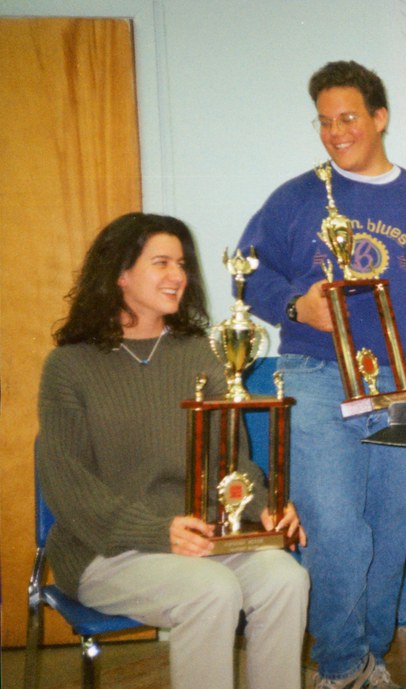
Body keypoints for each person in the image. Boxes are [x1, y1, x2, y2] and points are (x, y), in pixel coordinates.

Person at [237, 60, 406, 689]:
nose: (336, 132)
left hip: (401, 384)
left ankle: (370, 651)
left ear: (379, 117)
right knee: (334, 521)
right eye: (324, 121)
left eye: (347, 118)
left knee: (396, 520)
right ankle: (340, 666)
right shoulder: (293, 198)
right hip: (315, 371)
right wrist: (295, 305)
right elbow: (248, 270)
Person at [36, 212, 310, 689]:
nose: (178, 276)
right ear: (120, 274)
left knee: (286, 579)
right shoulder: (68, 366)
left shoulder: (199, 353)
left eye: (181, 264)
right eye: (161, 263)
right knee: (210, 591)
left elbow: (234, 462)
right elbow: (68, 486)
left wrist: (265, 507)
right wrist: (157, 531)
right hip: (107, 548)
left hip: (202, 535)